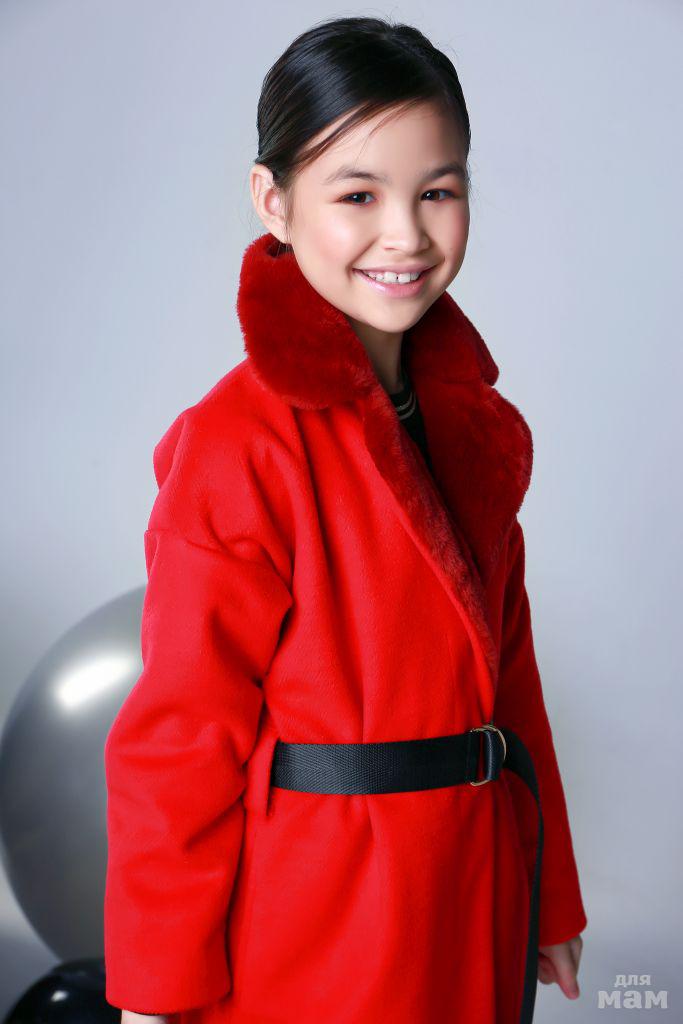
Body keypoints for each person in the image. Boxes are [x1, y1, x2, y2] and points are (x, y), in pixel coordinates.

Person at [104, 15, 587, 1024]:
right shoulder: (237, 444)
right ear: (272, 201)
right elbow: (181, 734)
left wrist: (548, 895)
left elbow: (511, 676)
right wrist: (155, 986)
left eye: (437, 191)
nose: (405, 234)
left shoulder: (471, 429)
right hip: (323, 916)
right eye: (357, 195)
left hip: (470, 888)